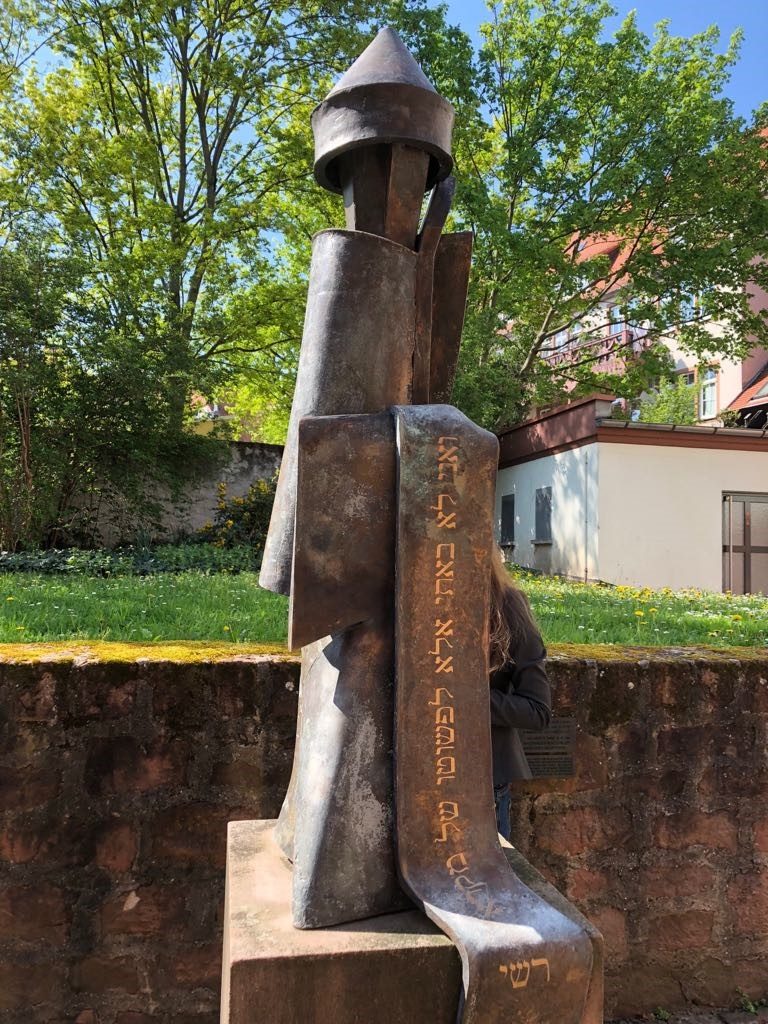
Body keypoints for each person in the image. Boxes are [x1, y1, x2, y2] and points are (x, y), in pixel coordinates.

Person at [488, 546, 551, 841]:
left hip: (486, 780)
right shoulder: (408, 599)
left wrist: (463, 699)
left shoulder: (507, 605)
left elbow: (537, 710)